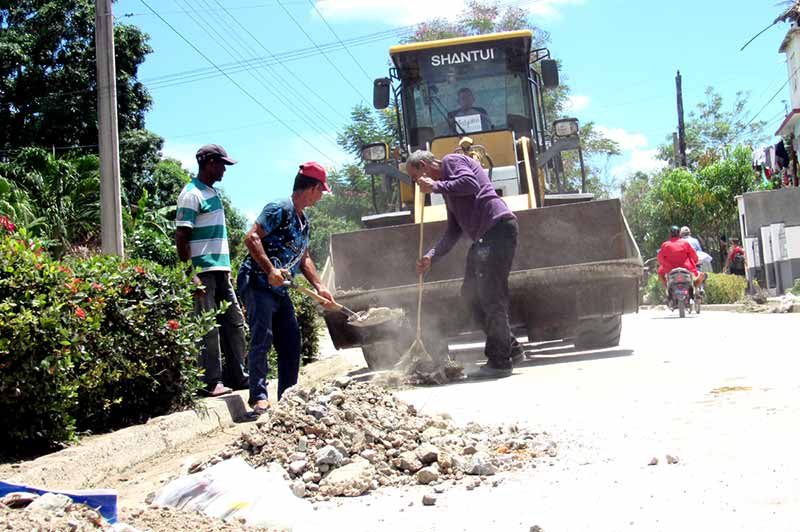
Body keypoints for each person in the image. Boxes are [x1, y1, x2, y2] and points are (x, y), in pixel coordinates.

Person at [406, 149, 522, 379]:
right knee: (470, 295)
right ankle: (511, 348)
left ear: (424, 166)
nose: (416, 182)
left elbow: (470, 183)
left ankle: (500, 362)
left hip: (497, 230)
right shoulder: (449, 192)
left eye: (415, 176)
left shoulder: (452, 160)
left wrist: (436, 187)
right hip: (483, 238)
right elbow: (453, 230)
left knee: (491, 296)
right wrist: (431, 256)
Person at [238, 162, 336, 415]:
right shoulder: (279, 208)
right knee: (263, 337)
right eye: (321, 191)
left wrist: (320, 286)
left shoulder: (304, 221)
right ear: (313, 188)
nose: (321, 197)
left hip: (280, 290)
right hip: (258, 282)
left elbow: (304, 258)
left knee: (291, 340)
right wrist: (270, 269)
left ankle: (288, 396)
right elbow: (252, 237)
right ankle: (258, 397)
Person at [175, 144, 248, 397]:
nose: (224, 170)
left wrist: (227, 269)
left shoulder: (212, 193)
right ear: (208, 163)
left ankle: (238, 375)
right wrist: (190, 273)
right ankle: (211, 381)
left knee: (234, 322)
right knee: (208, 326)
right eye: (221, 165)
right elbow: (181, 236)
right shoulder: (191, 194)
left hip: (220, 270)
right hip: (203, 271)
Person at [657, 225, 706, 291]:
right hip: (686, 269)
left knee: (660, 273)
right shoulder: (685, 243)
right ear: (679, 234)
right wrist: (695, 261)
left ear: (670, 234)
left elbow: (660, 259)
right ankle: (694, 288)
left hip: (670, 270)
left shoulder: (665, 245)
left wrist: (665, 265)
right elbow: (694, 256)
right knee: (702, 275)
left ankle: (667, 289)